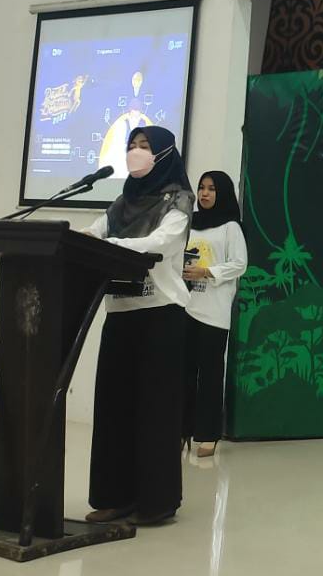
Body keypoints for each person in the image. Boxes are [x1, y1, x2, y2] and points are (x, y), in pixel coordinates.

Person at [84, 126, 193, 527]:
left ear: (164, 154)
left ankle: (155, 501)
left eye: (145, 146)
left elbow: (161, 244)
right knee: (113, 409)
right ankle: (115, 497)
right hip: (120, 312)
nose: (136, 151)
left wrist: (109, 246)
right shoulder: (121, 203)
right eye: (132, 145)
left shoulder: (178, 200)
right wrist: (80, 240)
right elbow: (92, 234)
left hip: (160, 314)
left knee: (154, 411)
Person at [182, 171, 247, 458]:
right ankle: (181, 431)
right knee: (182, 374)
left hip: (214, 312)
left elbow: (240, 264)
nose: (205, 193)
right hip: (185, 306)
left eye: (211, 188)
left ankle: (208, 435)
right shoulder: (190, 224)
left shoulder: (230, 227)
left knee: (209, 375)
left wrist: (207, 271)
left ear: (223, 192)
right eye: (201, 188)